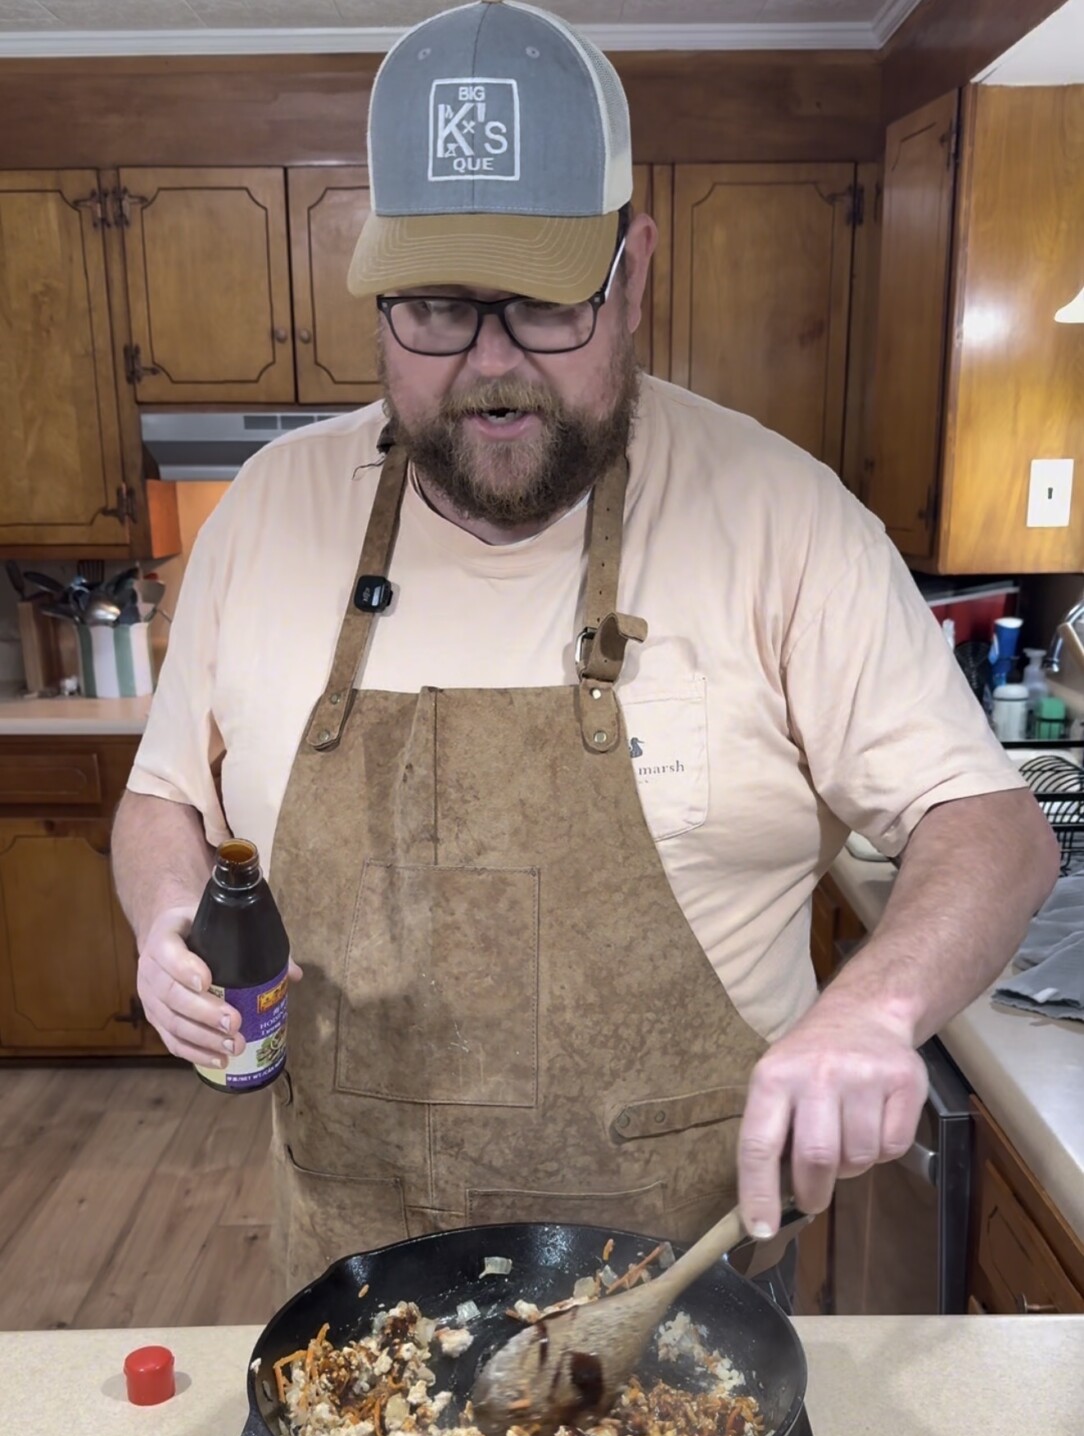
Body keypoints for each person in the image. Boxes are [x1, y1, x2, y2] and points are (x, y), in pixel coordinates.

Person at [111, 0, 1058, 1301]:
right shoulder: (269, 514)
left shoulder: (786, 522)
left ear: (636, 268)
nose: (495, 367)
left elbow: (994, 829)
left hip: (681, 1317)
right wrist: (167, 917)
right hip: (355, 1305)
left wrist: (879, 1005)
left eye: (549, 303)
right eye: (437, 307)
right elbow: (166, 796)